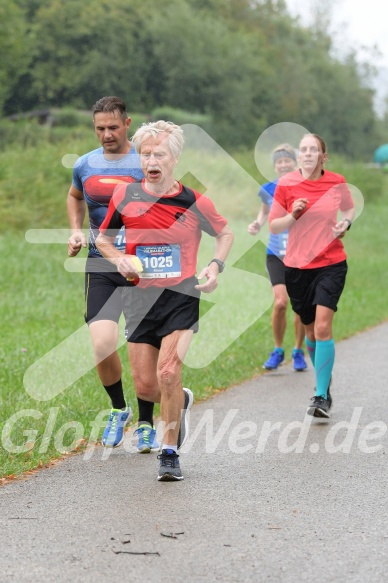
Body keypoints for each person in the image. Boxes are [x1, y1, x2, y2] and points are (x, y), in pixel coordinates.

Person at [95, 120, 234, 480]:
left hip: (181, 295)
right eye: (145, 154)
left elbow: (225, 232)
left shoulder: (192, 200)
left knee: (169, 372)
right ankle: (180, 403)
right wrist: (118, 258)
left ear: (174, 159)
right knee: (146, 386)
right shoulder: (124, 196)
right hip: (139, 297)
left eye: (158, 154)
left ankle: (169, 452)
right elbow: (103, 238)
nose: (151, 160)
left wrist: (216, 266)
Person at [67, 96, 159, 452]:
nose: (106, 134)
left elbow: (170, 204)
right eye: (100, 128)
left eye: (113, 127)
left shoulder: (148, 161)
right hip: (101, 262)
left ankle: (147, 422)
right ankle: (119, 409)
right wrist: (76, 230)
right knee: (103, 343)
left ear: (128, 124)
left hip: (143, 265)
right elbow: (75, 196)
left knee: (143, 345)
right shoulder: (85, 164)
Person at [268, 133, 355, 418]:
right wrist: (292, 214)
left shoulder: (336, 181)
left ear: (323, 156)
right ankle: (323, 380)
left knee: (321, 327)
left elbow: (348, 208)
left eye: (313, 149)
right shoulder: (286, 183)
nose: (307, 153)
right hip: (296, 267)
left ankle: (320, 395)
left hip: (331, 263)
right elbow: (275, 227)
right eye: (303, 149)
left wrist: (346, 223)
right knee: (308, 330)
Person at [248, 144, 307, 372]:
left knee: (300, 307)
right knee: (281, 302)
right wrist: (258, 223)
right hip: (276, 254)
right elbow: (265, 210)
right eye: (279, 162)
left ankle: (298, 351)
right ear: (275, 166)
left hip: (300, 254)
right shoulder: (268, 188)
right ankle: (278, 350)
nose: (283, 165)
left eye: (287, 161)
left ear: (296, 162)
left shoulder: (306, 186)